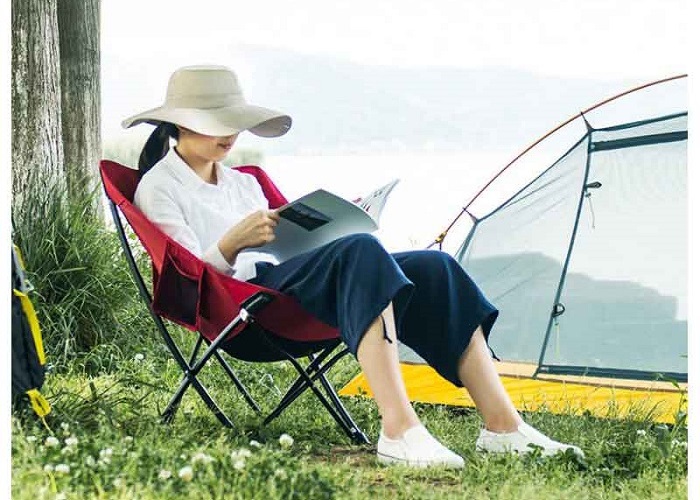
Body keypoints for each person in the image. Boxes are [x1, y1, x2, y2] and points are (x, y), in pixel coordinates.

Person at [123, 65, 583, 468]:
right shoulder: (159, 188)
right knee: (360, 253)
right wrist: (230, 243)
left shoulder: (244, 183)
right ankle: (399, 429)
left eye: (234, 123)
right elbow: (184, 284)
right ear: (179, 125)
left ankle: (503, 428)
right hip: (244, 310)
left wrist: (337, 224)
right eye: (217, 123)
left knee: (435, 268)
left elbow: (293, 248)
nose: (230, 134)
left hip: (292, 287)